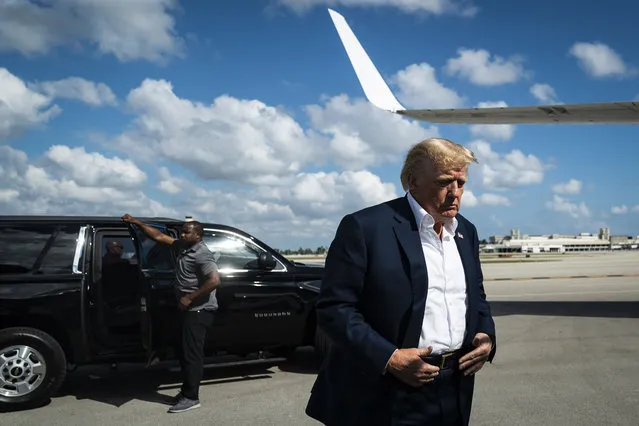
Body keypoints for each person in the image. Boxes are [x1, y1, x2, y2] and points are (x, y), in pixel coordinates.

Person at [305, 137, 497, 426]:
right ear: (412, 181)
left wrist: (486, 336)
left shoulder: (465, 232)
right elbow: (335, 308)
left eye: (462, 183)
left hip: (454, 385)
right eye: (445, 182)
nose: (455, 193)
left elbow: (476, 296)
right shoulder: (365, 227)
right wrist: (390, 358)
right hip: (385, 390)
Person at [121, 214, 221, 414]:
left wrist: (190, 297)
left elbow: (214, 280)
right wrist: (137, 223)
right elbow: (158, 237)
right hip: (187, 309)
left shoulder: (202, 254)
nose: (182, 234)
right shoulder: (183, 246)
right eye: (182, 231)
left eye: (186, 232)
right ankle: (186, 393)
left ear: (198, 235)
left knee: (192, 356)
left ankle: (192, 398)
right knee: (184, 353)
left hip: (198, 310)